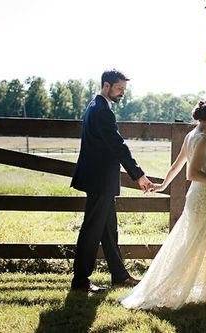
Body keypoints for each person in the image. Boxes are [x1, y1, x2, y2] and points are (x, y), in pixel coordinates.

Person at [120, 99, 206, 309]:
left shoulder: (190, 136)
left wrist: (163, 185)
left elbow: (176, 166)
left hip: (201, 198)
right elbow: (191, 173)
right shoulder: (202, 139)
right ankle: (171, 287)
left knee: (204, 242)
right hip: (202, 198)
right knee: (195, 244)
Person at [70, 69, 153, 292]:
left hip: (99, 180)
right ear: (106, 86)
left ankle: (119, 275)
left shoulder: (94, 106)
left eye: (124, 90)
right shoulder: (101, 111)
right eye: (119, 89)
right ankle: (80, 281)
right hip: (99, 181)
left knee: (108, 230)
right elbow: (118, 145)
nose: (122, 93)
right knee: (91, 231)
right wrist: (139, 175)